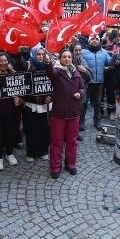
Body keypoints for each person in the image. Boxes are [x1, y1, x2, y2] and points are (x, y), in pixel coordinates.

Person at [43, 50, 85, 179]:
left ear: (71, 59)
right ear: (60, 59)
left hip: (74, 113)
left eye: (69, 57)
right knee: (57, 142)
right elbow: (50, 72)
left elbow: (82, 88)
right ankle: (55, 167)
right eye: (64, 57)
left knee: (72, 141)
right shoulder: (56, 72)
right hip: (59, 114)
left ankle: (70, 164)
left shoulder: (76, 72)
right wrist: (47, 63)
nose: (67, 59)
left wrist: (80, 93)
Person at [20, 48, 51, 163]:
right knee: (31, 129)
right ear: (34, 55)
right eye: (38, 54)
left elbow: (55, 83)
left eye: (43, 54)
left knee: (44, 129)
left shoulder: (50, 66)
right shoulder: (29, 66)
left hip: (45, 105)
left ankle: (43, 150)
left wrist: (51, 96)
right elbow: (23, 84)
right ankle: (31, 152)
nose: (41, 56)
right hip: (31, 104)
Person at [80, 34, 112, 131]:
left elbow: (110, 62)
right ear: (89, 41)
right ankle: (81, 121)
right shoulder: (83, 52)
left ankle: (97, 121)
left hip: (99, 82)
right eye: (92, 39)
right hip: (87, 82)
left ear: (99, 41)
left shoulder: (104, 52)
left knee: (98, 103)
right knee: (84, 102)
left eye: (97, 39)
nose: (95, 41)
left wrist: (115, 55)